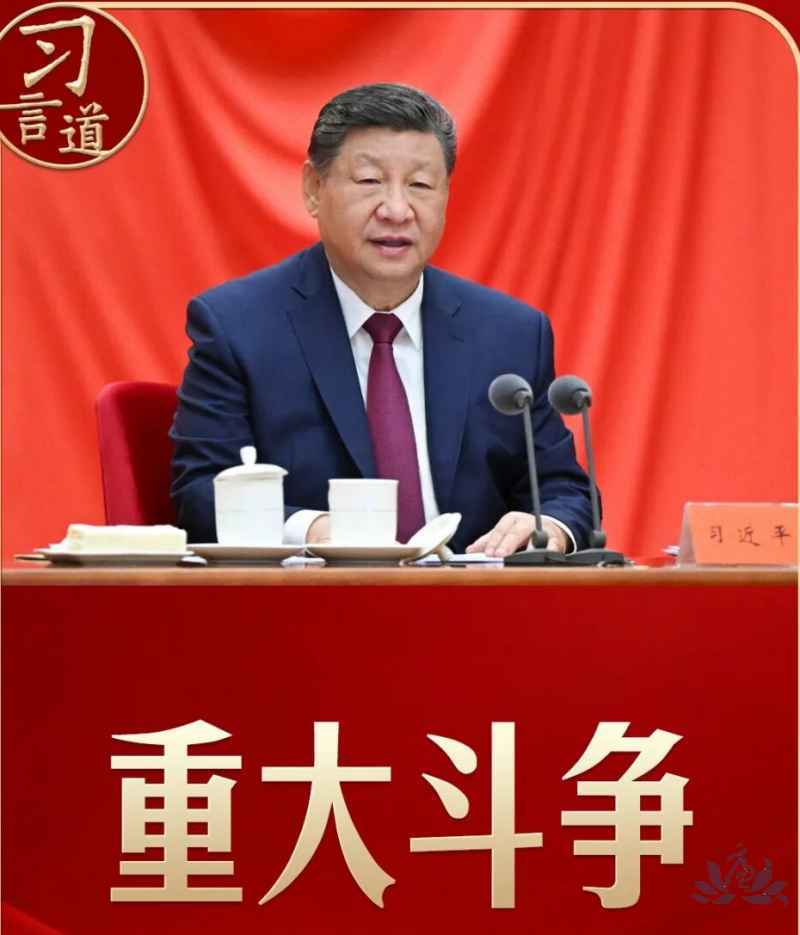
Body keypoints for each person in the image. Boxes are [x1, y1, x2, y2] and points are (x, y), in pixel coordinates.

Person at [170, 83, 594, 556]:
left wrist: (549, 525)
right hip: (318, 594)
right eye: (370, 181)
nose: (396, 210)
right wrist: (313, 531)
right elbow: (202, 492)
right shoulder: (237, 327)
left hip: (468, 595)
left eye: (420, 185)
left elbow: (564, 491)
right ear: (313, 188)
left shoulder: (510, 334)